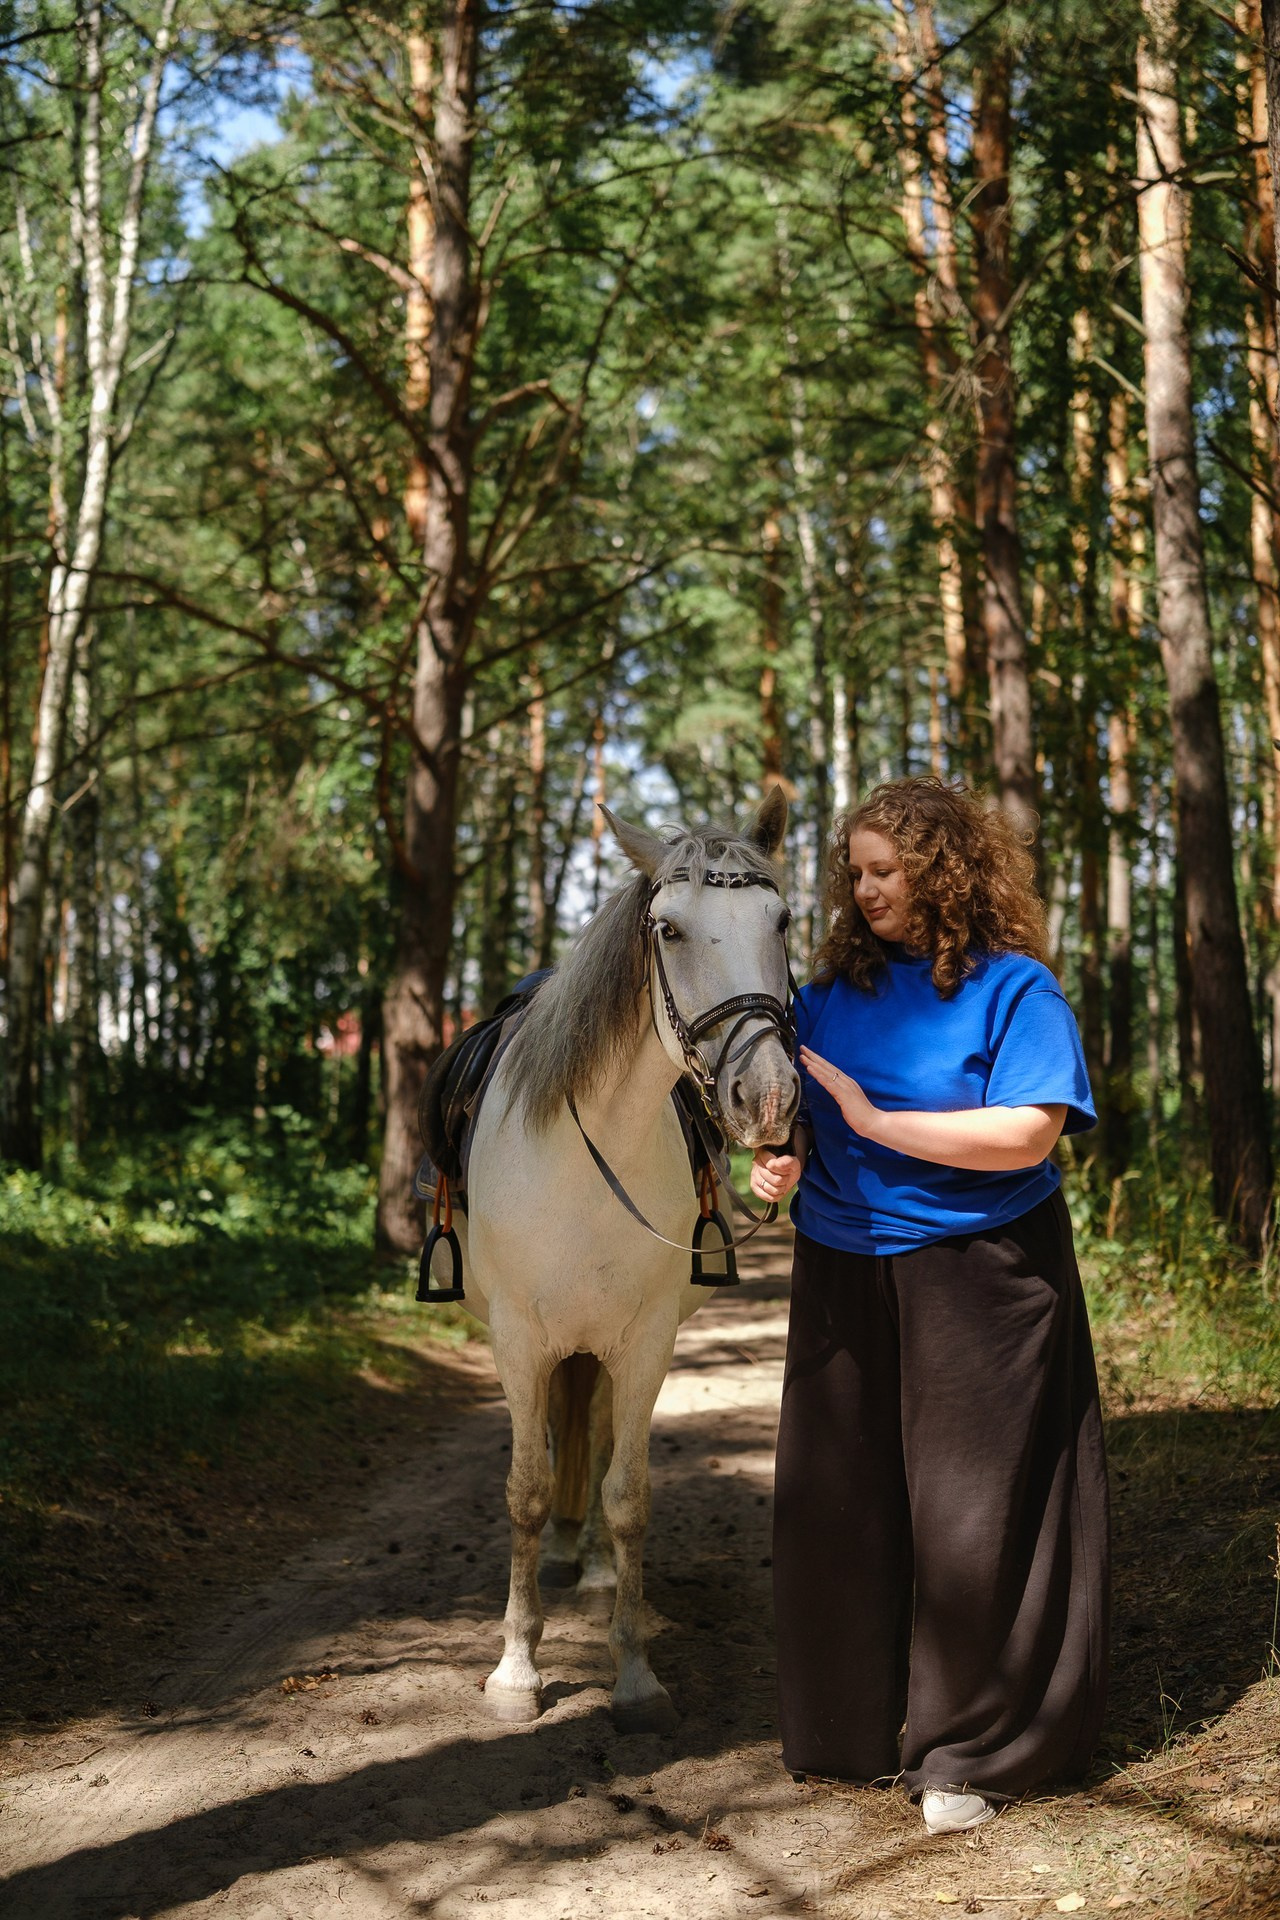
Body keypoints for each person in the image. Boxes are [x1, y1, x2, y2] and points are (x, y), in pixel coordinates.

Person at [752, 777, 1109, 1836]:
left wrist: (870, 1116)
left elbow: (1026, 1135)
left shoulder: (1015, 990)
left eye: (885, 871)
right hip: (839, 1266)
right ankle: (853, 1733)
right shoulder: (823, 996)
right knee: (836, 1503)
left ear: (944, 871)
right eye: (853, 872)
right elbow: (800, 1126)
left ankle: (969, 1753)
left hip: (982, 1273)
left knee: (968, 1520)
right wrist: (781, 1164)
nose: (863, 891)